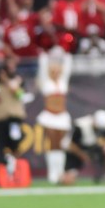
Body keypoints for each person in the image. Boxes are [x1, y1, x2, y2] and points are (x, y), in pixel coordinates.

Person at [35, 47, 72, 184]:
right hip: (49, 116)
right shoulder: (46, 82)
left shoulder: (63, 82)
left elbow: (68, 66)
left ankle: (60, 171)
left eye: (58, 70)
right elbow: (43, 66)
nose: (56, 72)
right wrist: (45, 56)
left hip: (61, 117)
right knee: (52, 143)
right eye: (53, 70)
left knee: (60, 144)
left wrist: (64, 53)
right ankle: (52, 172)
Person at [0, 60, 28, 179]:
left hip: (13, 120)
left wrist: (6, 80)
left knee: (15, 144)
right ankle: (1, 176)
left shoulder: (15, 82)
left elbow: (19, 94)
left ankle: (16, 173)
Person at [64, 109, 105, 184]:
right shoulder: (80, 126)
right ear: (94, 120)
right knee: (68, 181)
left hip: (91, 149)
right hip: (75, 153)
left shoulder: (100, 126)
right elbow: (71, 145)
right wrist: (82, 155)